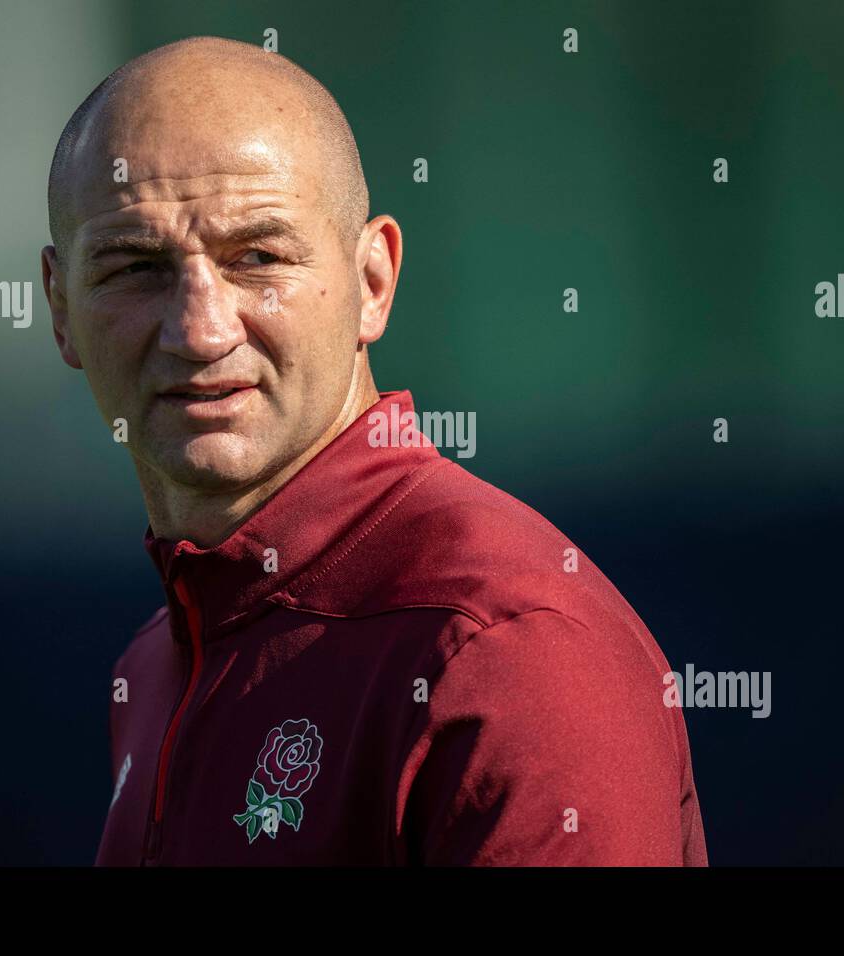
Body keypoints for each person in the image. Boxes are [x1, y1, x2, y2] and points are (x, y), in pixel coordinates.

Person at [42, 36, 707, 865]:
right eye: (136, 268)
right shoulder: (159, 660)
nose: (199, 331)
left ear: (372, 282)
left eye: (258, 258)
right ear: (60, 306)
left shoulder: (501, 647)